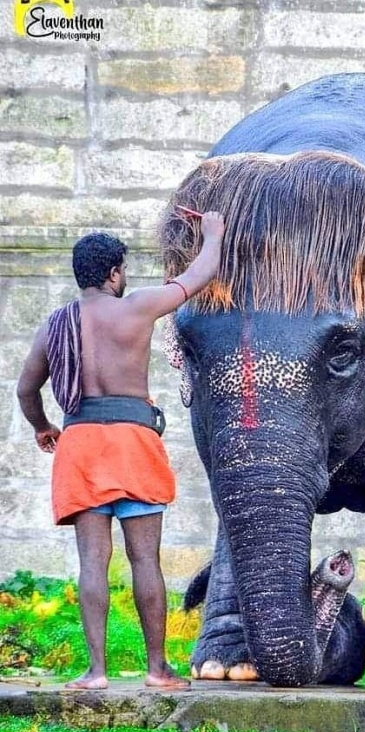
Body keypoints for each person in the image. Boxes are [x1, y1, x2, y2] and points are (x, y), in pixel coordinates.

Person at [17, 211, 225, 690]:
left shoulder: (55, 325)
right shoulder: (137, 307)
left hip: (81, 444)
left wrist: (43, 426)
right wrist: (212, 232)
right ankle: (156, 669)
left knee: (93, 561)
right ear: (114, 273)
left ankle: (96, 672)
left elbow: (27, 390)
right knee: (144, 559)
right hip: (134, 441)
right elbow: (198, 276)